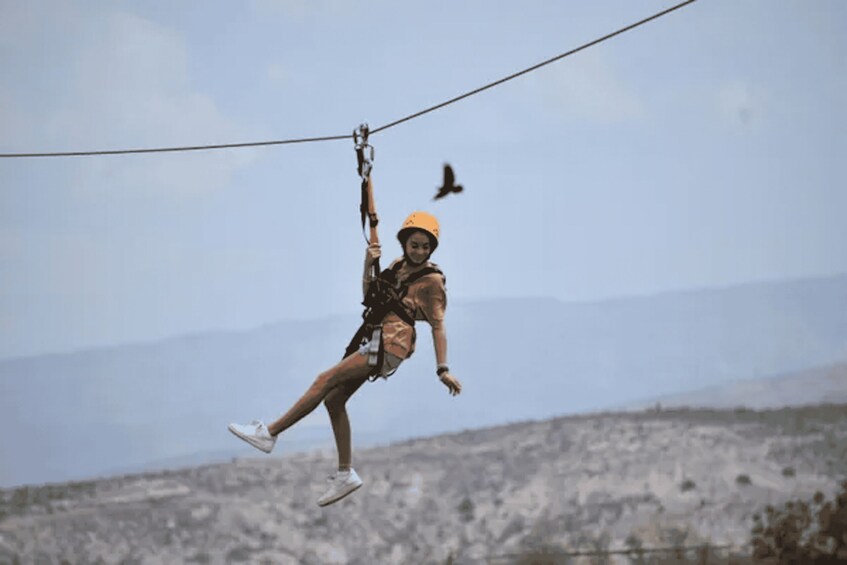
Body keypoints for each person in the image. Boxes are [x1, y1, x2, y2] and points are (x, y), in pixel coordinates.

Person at [228, 211, 462, 507]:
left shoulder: (432, 281)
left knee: (324, 379)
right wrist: (368, 263)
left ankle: (269, 433)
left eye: (425, 247)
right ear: (404, 243)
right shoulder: (396, 266)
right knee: (333, 399)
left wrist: (443, 369)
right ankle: (345, 473)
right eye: (415, 245)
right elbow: (370, 296)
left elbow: (439, 325)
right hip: (377, 339)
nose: (419, 251)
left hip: (391, 345)